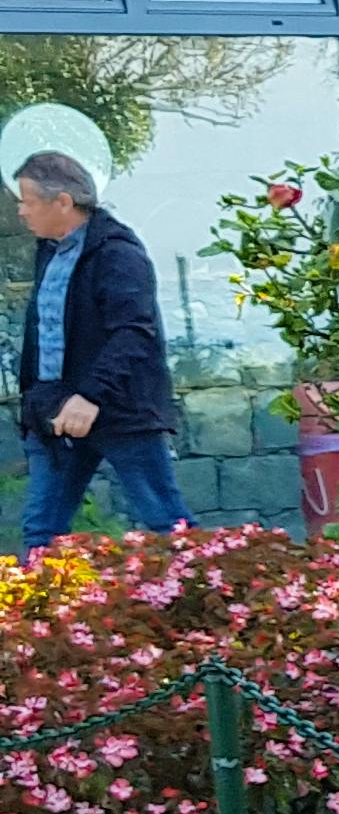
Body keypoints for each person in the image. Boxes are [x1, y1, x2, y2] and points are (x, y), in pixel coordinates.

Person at [14, 148, 185, 556]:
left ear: (63, 202)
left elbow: (134, 334)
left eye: (28, 201)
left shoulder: (118, 253)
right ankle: (42, 618)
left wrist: (90, 395)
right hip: (55, 413)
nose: (21, 211)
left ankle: (210, 606)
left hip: (120, 410)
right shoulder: (50, 251)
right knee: (42, 531)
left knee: (168, 525)